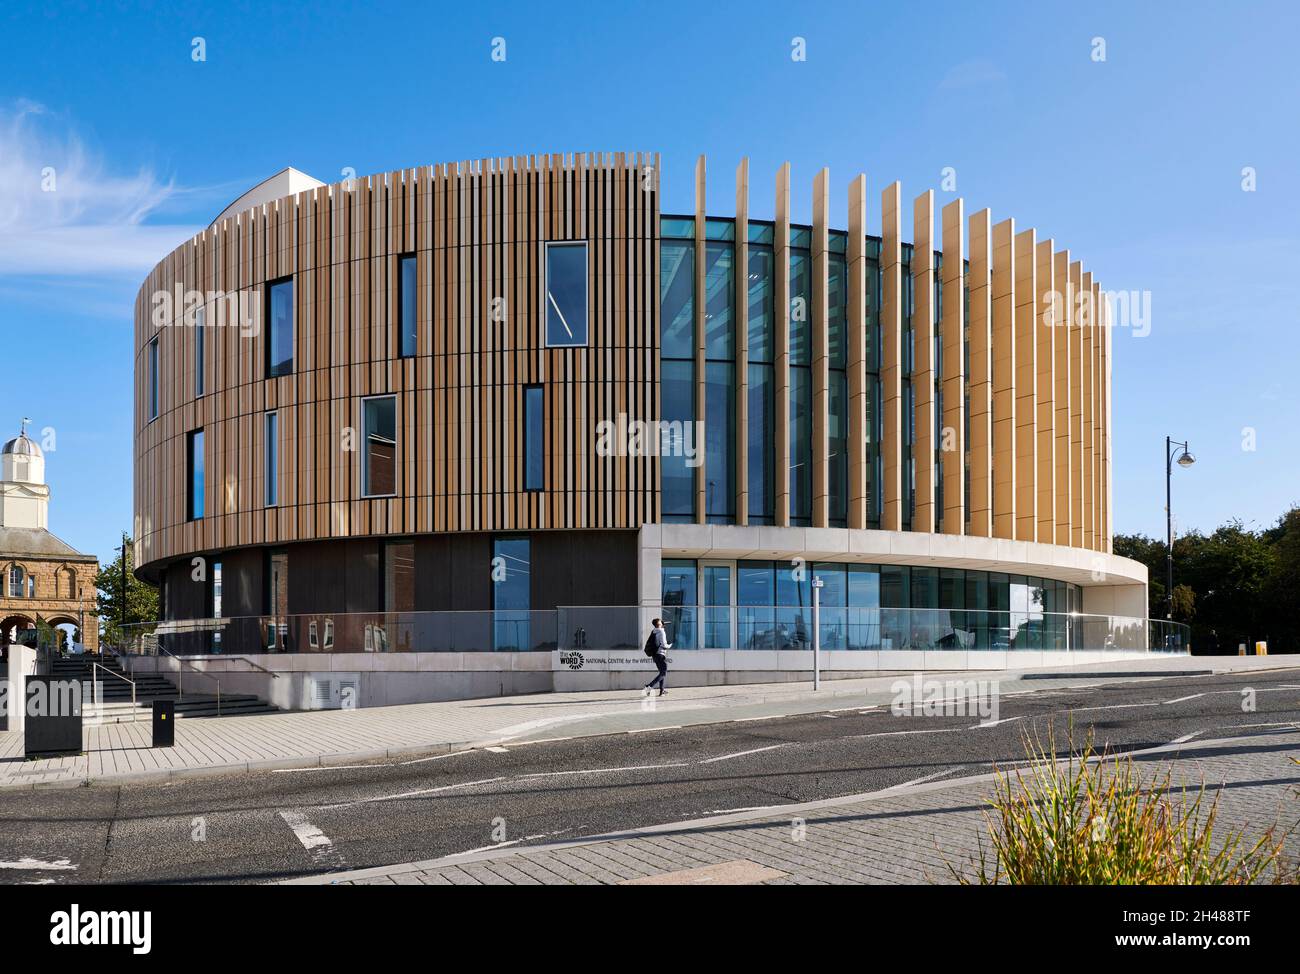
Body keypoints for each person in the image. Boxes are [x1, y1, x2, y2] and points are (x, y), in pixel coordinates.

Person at [643, 618, 670, 696]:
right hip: (660, 654)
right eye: (660, 621)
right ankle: (649, 686)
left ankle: (662, 691)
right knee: (663, 673)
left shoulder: (654, 631)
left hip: (655, 655)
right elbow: (664, 645)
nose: (662, 622)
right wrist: (670, 645)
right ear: (659, 624)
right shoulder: (661, 631)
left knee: (661, 672)